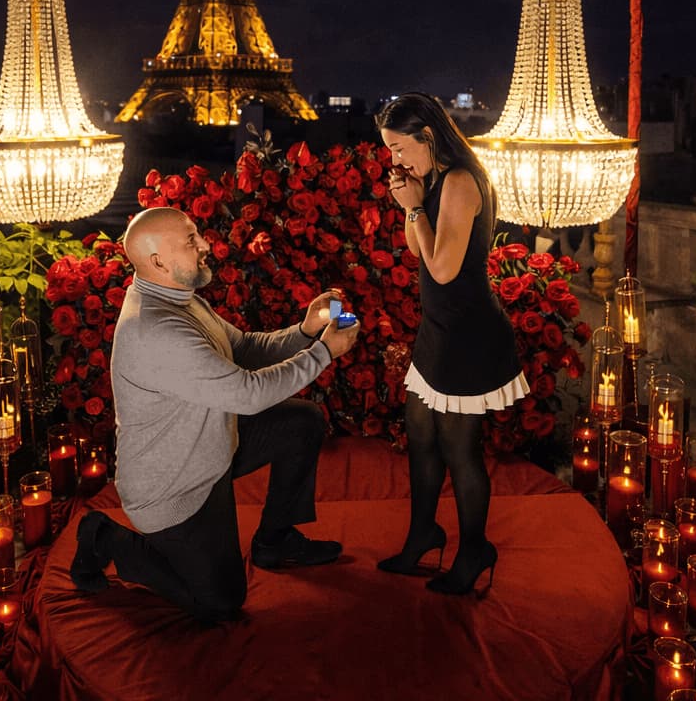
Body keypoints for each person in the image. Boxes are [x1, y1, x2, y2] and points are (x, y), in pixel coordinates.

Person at [68, 205, 360, 624]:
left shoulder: (178, 298)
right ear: (158, 261)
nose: (206, 245)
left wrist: (306, 331)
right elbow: (249, 393)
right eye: (191, 240)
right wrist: (325, 351)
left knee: (302, 422)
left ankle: (274, 542)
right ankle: (103, 537)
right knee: (221, 602)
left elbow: (244, 349)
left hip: (212, 447)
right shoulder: (157, 329)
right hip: (175, 487)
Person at [374, 91, 526, 595]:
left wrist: (415, 205)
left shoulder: (460, 182)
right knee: (420, 433)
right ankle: (424, 532)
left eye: (399, 148)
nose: (394, 160)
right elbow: (416, 248)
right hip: (439, 331)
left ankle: (475, 548)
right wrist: (409, 202)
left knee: (460, 450)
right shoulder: (434, 179)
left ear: (428, 137)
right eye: (390, 151)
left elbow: (442, 269)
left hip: (468, 335)